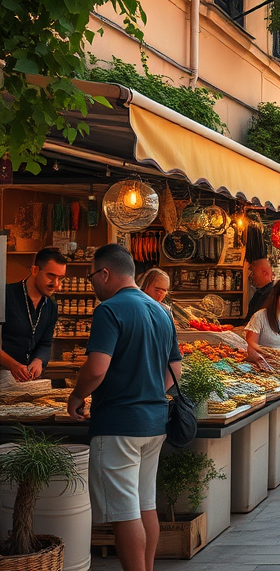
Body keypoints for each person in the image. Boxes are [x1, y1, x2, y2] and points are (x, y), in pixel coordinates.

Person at [66, 243, 180, 571]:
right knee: (145, 505)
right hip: (154, 422)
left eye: (92, 278)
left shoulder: (109, 310)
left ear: (105, 273)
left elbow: (97, 368)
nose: (92, 285)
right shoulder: (161, 311)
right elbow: (175, 370)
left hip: (118, 425)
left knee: (123, 513)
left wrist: (77, 396)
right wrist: (147, 393)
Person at [1, 246, 65, 382]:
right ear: (35, 270)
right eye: (51, 276)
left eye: (60, 278)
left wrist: (39, 360)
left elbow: (45, 343)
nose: (57, 285)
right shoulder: (5, 296)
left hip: (26, 383)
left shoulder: (51, 306)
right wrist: (13, 365)